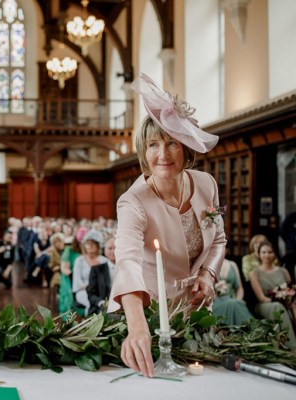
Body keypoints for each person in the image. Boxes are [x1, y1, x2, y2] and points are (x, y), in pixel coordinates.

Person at [108, 73, 226, 377]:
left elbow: (219, 239)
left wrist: (208, 275)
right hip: (153, 317)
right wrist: (137, 325)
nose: (162, 154)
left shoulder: (205, 184)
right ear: (144, 153)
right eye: (153, 145)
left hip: (199, 312)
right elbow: (128, 261)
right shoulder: (133, 201)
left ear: (185, 147)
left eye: (171, 142)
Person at [249, 241, 296, 349]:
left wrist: (288, 299)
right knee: (277, 306)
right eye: (264, 252)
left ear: (274, 254)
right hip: (264, 304)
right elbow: (261, 297)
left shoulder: (283, 271)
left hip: (284, 304)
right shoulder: (254, 273)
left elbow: (291, 290)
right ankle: (291, 347)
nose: (267, 255)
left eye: (270, 252)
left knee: (283, 307)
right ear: (259, 254)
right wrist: (280, 300)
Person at [212, 242, 252, 325]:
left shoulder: (232, 264)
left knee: (236, 303)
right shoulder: (209, 265)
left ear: (227, 250)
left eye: (224, 248)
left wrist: (238, 299)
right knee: (233, 304)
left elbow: (239, 288)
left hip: (232, 298)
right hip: (215, 301)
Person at [72, 230, 107, 314]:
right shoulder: (79, 260)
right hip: (83, 291)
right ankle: (90, 323)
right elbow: (77, 281)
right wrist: (90, 286)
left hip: (100, 291)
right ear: (84, 246)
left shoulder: (103, 260)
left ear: (98, 245)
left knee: (104, 303)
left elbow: (106, 280)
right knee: (91, 303)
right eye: (88, 243)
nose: (90, 246)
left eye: (93, 243)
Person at [87, 237, 116, 315]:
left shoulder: (126, 269)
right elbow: (91, 294)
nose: (113, 251)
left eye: (116, 247)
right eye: (110, 248)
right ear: (105, 250)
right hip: (102, 309)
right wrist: (103, 303)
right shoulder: (96, 270)